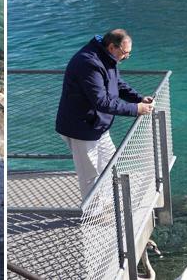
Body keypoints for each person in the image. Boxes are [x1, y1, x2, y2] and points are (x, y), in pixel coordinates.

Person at [55, 29, 154, 198]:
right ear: (111, 47)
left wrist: (138, 98)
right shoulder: (89, 63)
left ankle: (108, 203)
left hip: (98, 126)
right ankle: (93, 216)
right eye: (125, 53)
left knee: (110, 165)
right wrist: (135, 109)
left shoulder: (106, 58)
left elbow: (117, 83)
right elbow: (101, 102)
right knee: (90, 176)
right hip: (82, 129)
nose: (126, 57)